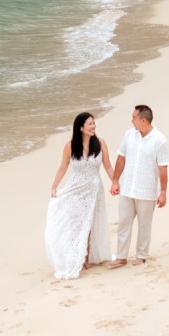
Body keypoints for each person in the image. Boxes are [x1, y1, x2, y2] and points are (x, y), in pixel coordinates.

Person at [45, 111, 112, 280]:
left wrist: (116, 182)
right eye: (89, 124)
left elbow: (108, 166)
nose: (93, 126)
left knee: (89, 223)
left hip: (94, 191)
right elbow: (63, 167)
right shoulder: (70, 146)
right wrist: (54, 186)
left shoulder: (101, 143)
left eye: (94, 123)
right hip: (75, 189)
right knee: (76, 223)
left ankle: (86, 257)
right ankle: (73, 254)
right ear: (80, 127)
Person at [109, 104, 168, 266]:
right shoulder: (129, 135)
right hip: (127, 187)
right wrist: (115, 180)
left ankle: (141, 255)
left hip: (146, 190)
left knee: (144, 224)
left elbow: (163, 168)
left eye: (134, 117)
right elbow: (121, 158)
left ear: (143, 120)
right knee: (124, 222)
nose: (131, 120)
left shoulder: (160, 140)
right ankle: (121, 256)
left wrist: (163, 192)